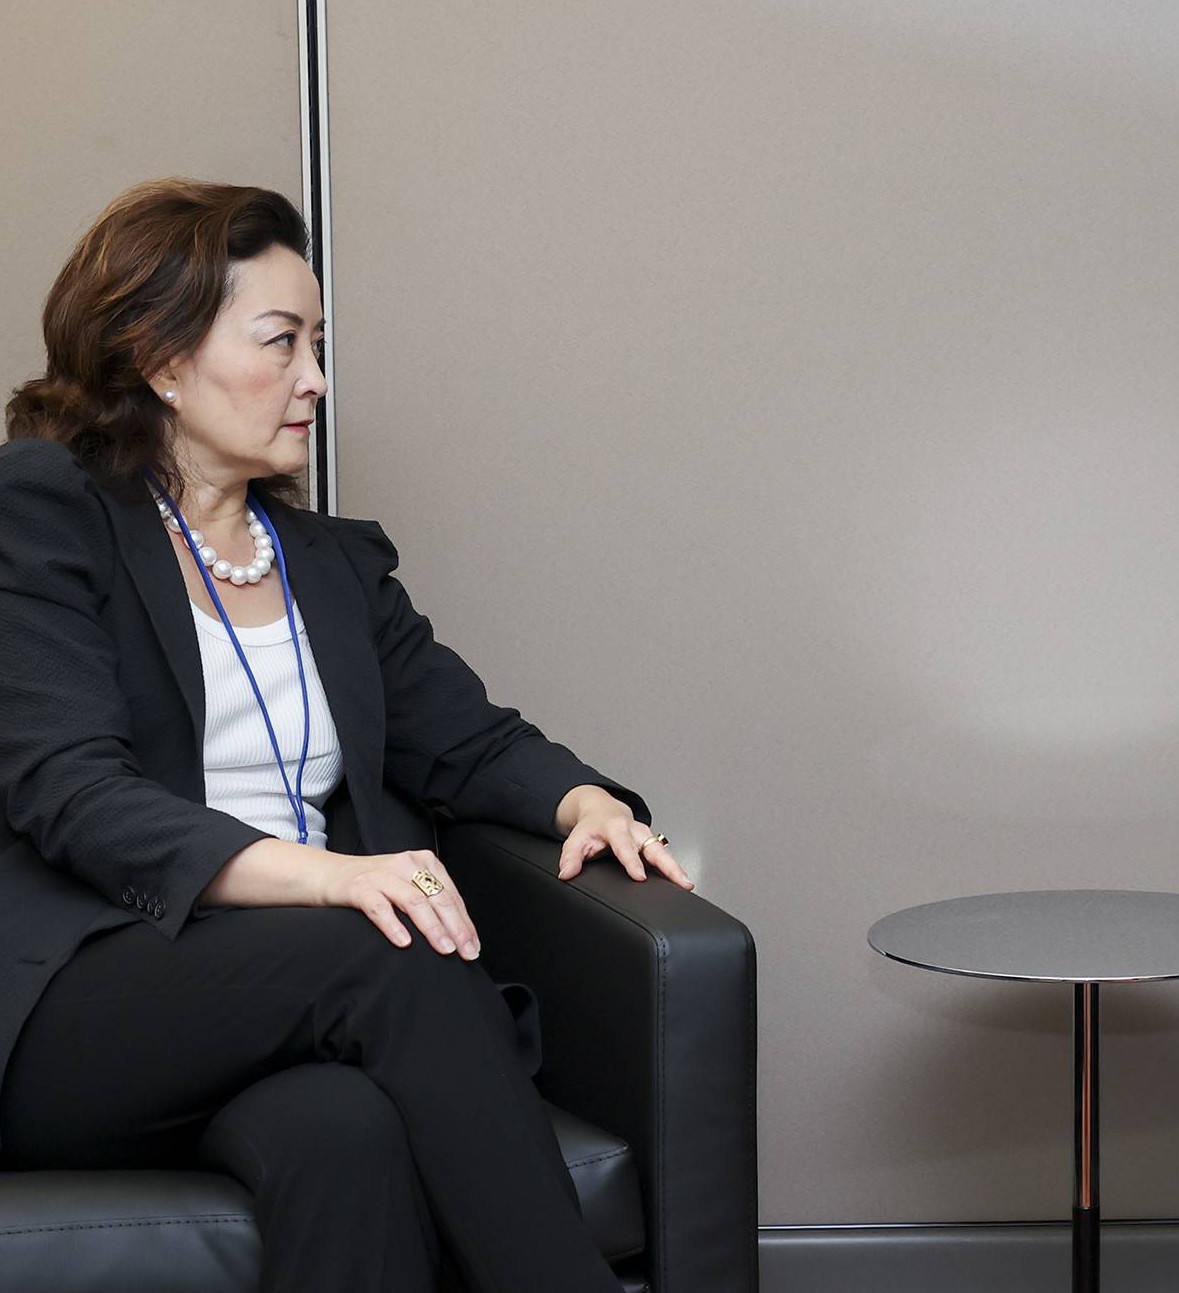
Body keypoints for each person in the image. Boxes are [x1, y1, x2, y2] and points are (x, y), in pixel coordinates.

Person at [0, 179, 697, 1292]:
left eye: (317, 344)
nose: (315, 378)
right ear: (160, 358)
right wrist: (331, 879)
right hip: (85, 1005)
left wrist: (588, 803)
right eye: (281, 341)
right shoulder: (44, 512)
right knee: (391, 937)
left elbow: (468, 741)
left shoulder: (330, 564)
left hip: (285, 1007)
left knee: (342, 1133)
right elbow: (72, 793)